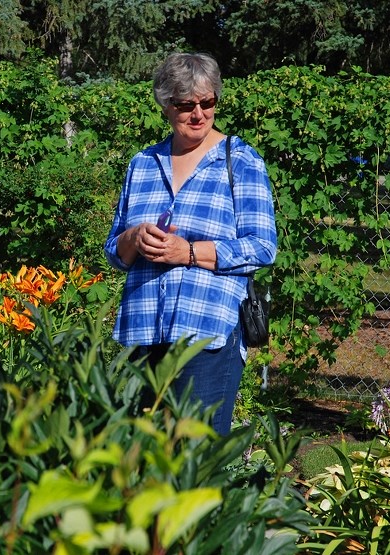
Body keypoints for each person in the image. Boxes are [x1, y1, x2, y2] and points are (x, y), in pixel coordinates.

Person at [104, 52, 277, 436]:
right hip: (143, 332)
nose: (199, 113)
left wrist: (190, 253)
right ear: (166, 105)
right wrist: (133, 238)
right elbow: (115, 251)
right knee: (140, 457)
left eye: (208, 102)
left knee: (197, 458)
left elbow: (263, 247)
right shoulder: (143, 164)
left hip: (207, 333)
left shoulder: (241, 161)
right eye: (186, 104)